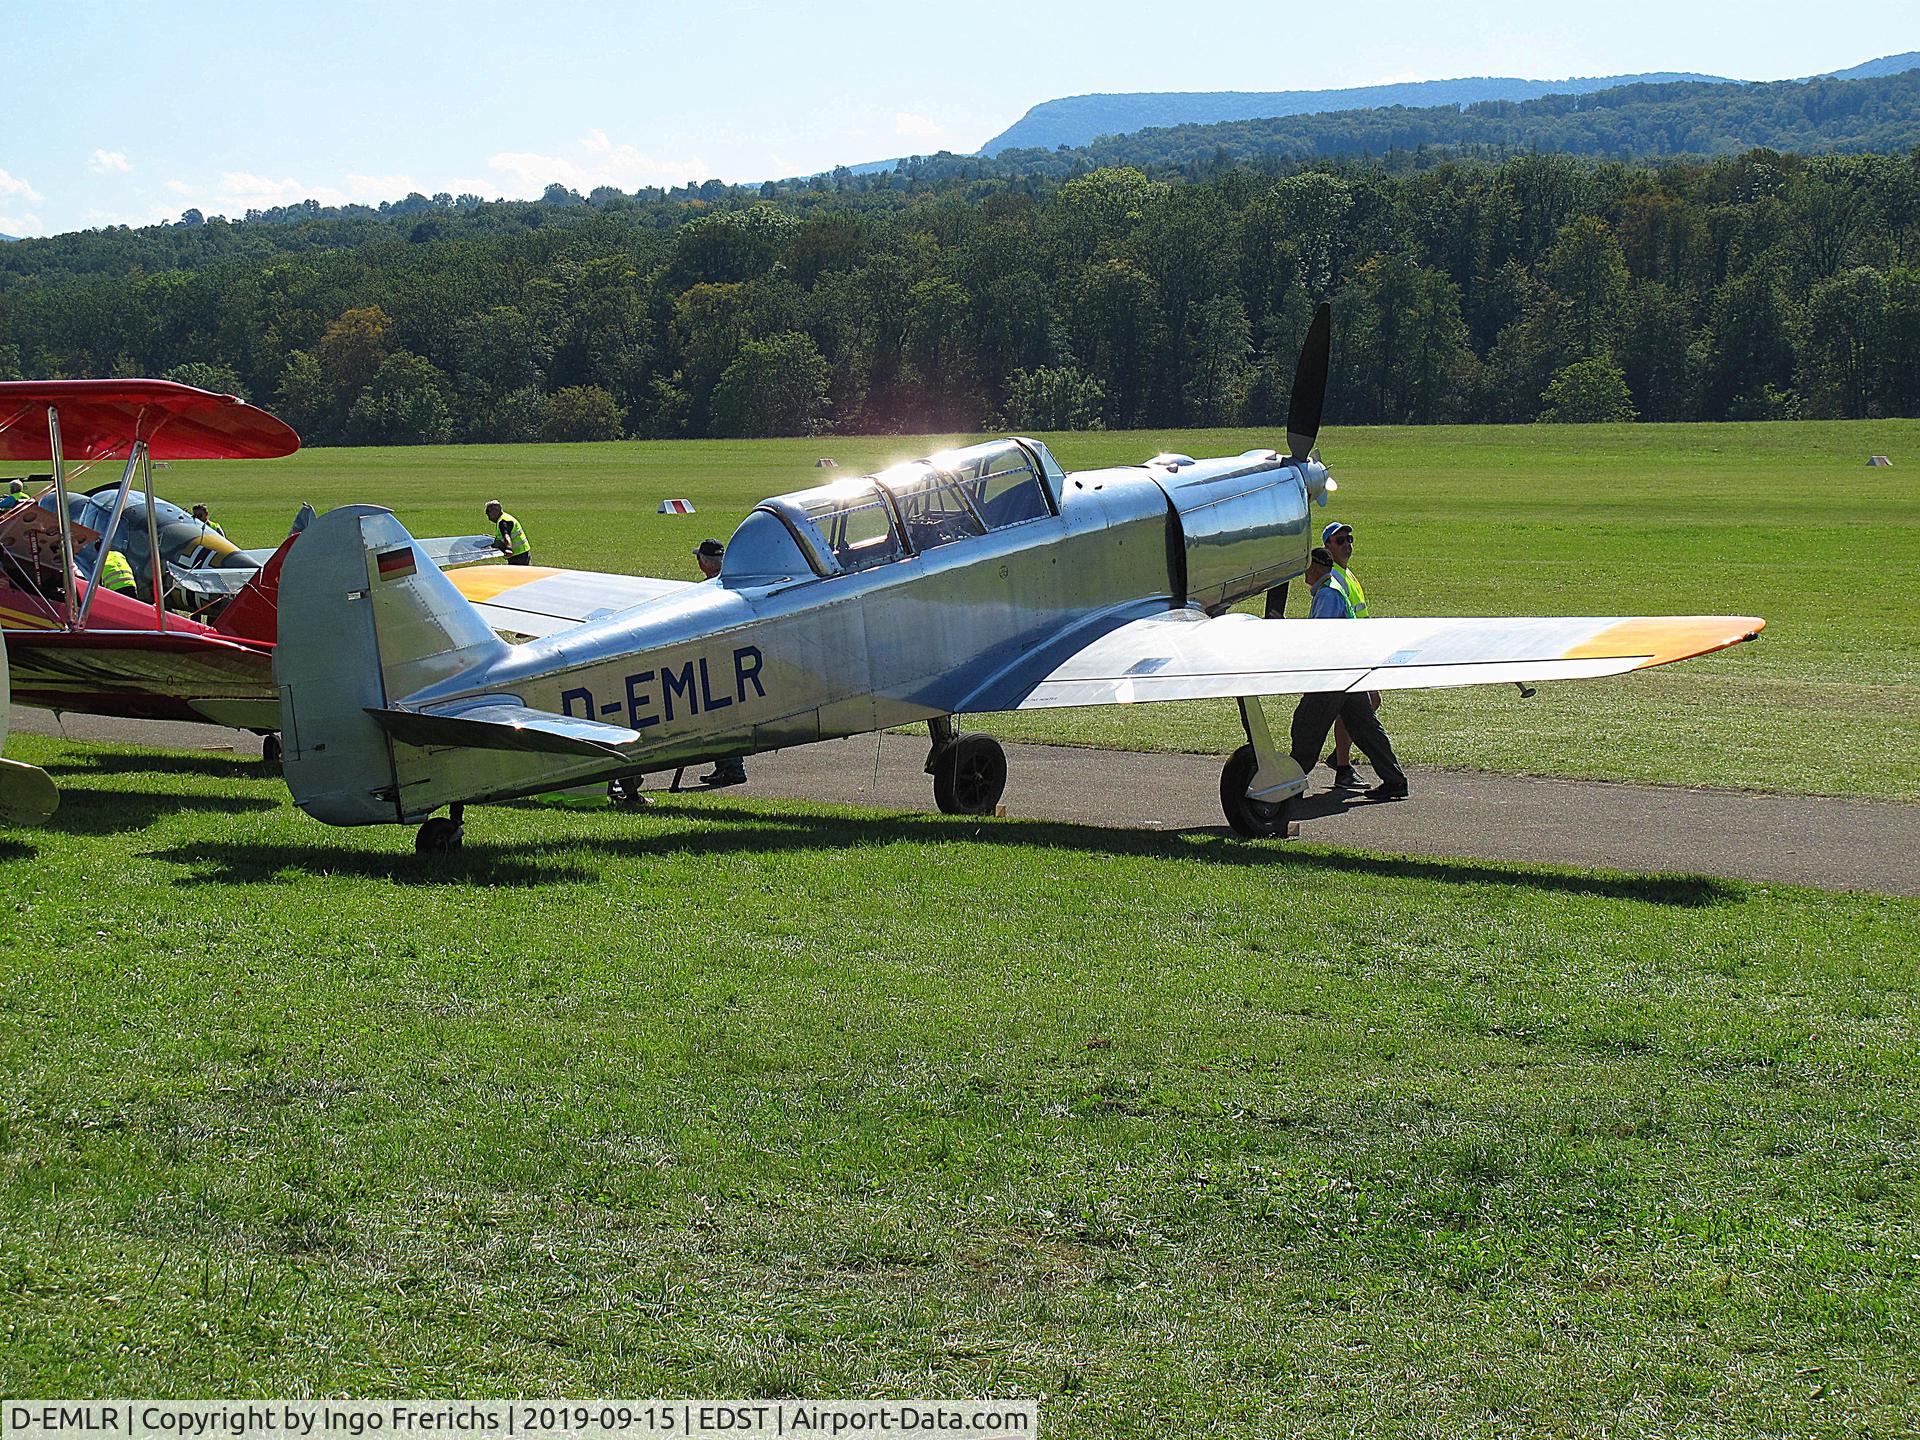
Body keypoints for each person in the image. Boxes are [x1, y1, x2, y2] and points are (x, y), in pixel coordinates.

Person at [1288, 547, 1408, 802]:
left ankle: (1290, 785)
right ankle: (1395, 780)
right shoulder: (1331, 588)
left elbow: (1321, 638)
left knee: (1307, 724)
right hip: (1350, 673)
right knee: (1366, 728)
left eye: (1307, 566)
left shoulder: (1327, 594)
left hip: (1333, 676)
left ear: (1316, 567)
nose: (1304, 572)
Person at [1320, 520, 1380, 788]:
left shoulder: (1346, 573)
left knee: (1372, 702)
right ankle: (1342, 767)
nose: (1347, 545)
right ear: (1328, 547)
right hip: (1346, 654)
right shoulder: (1334, 577)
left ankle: (1339, 757)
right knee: (1353, 709)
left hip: (1360, 650)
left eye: (1349, 540)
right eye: (1340, 541)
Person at [693, 538, 746, 787]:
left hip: (714, 663)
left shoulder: (704, 592)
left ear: (703, 562)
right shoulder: (733, 585)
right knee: (728, 717)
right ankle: (728, 767)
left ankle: (731, 768)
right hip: (733, 658)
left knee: (720, 718)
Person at [484, 500, 532, 565]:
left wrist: (509, 549)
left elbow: (506, 536)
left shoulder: (503, 521)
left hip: (518, 556)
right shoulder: (504, 518)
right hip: (522, 553)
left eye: (488, 513)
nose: (488, 517)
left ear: (494, 512)